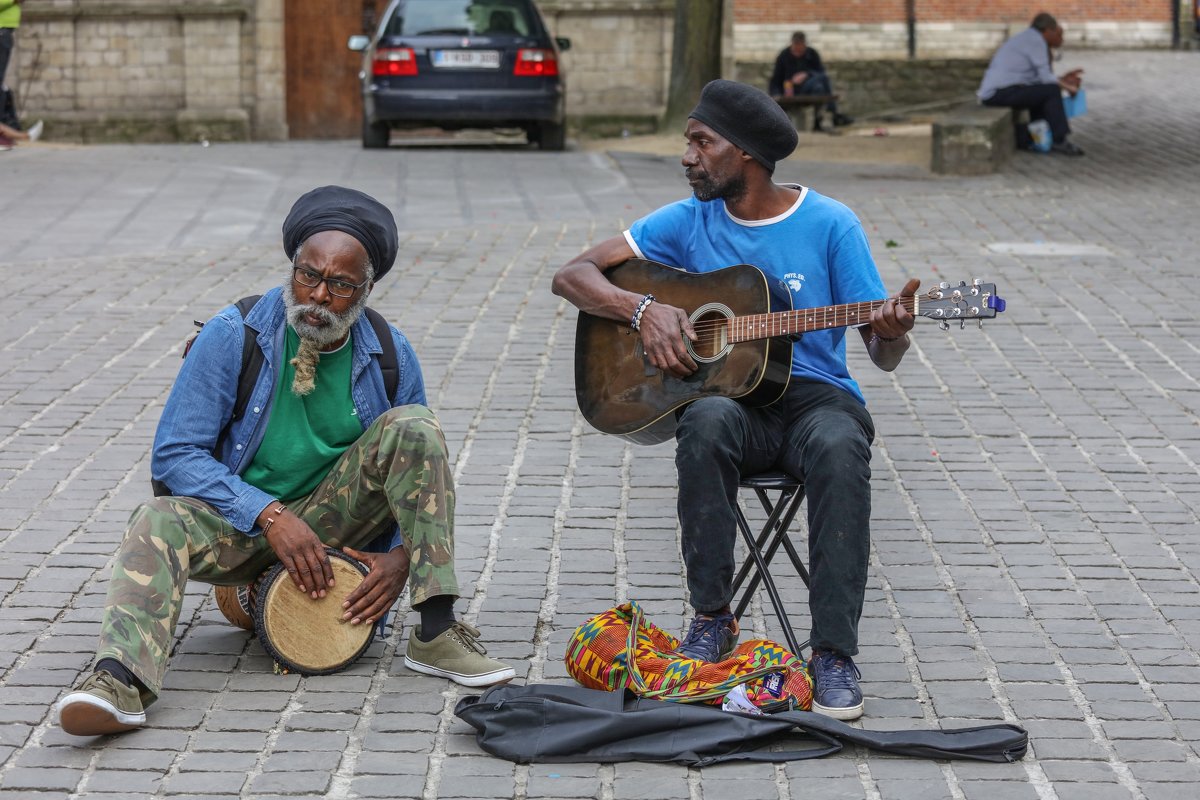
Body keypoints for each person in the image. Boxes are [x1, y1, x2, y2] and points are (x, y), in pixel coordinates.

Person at [55, 185, 515, 737]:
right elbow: (175, 454)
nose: (318, 295)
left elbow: (418, 471)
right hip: (242, 525)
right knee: (153, 521)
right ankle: (119, 678)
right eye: (308, 275)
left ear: (366, 289)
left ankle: (436, 630)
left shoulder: (390, 353)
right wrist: (270, 514)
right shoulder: (234, 334)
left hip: (335, 528)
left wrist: (401, 558)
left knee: (415, 427)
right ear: (292, 268)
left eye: (341, 285)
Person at [551, 80, 916, 721]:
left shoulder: (831, 224)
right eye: (689, 140)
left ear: (744, 154)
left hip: (816, 401)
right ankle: (713, 619)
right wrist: (642, 310)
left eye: (701, 142)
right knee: (708, 418)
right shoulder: (687, 220)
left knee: (838, 442)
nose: (687, 155)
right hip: (732, 403)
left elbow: (881, 355)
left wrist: (894, 335)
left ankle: (832, 653)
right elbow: (572, 275)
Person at [978, 12, 1084, 156]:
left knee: (1044, 92)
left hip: (1002, 91)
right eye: (1058, 34)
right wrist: (1069, 88)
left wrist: (1063, 79)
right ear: (1048, 30)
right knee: (1051, 91)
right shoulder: (1036, 41)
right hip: (998, 93)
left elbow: (1039, 78)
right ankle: (1059, 140)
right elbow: (1046, 79)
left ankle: (1034, 138)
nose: (1060, 39)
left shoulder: (1028, 38)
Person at [768, 32, 852, 130]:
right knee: (821, 83)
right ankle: (834, 114)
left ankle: (820, 120)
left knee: (819, 86)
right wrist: (776, 94)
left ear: (804, 45)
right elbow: (776, 78)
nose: (798, 53)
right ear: (792, 44)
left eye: (800, 50)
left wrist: (807, 74)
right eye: (796, 50)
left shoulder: (812, 54)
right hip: (791, 89)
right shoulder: (784, 55)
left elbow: (821, 72)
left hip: (809, 87)